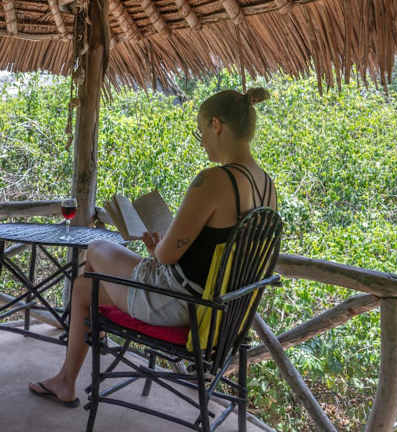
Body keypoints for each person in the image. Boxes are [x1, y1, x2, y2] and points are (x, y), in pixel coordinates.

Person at [28, 88, 278, 406]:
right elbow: (218, 253)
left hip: (178, 303)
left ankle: (83, 356)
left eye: (200, 131)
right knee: (83, 287)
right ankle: (67, 379)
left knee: (96, 248)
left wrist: (159, 247)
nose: (202, 141)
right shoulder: (267, 186)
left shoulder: (215, 180)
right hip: (221, 312)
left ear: (216, 125)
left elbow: (166, 256)